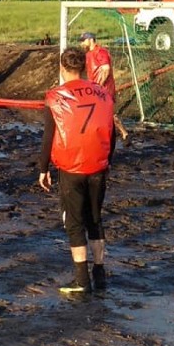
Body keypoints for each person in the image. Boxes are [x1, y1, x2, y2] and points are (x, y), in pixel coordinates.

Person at [38, 48, 115, 294]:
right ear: (83, 67)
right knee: (95, 218)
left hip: (72, 165)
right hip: (98, 164)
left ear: (62, 68)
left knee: (74, 222)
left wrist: (43, 168)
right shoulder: (103, 93)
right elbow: (110, 131)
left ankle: (82, 280)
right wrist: (107, 160)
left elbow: (49, 136)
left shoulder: (54, 97)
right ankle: (99, 273)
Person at [79, 32, 129, 141]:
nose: (81, 44)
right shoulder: (88, 54)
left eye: (83, 41)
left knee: (108, 113)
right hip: (94, 88)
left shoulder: (100, 52)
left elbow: (106, 70)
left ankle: (123, 133)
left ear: (90, 40)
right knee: (100, 114)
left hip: (104, 89)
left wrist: (98, 86)